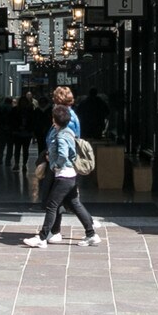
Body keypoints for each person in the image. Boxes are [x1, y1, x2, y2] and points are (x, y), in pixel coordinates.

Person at [23, 104, 98, 249]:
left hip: (63, 176)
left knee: (52, 206)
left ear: (54, 120)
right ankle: (91, 234)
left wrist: (55, 164)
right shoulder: (69, 132)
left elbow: (63, 155)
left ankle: (42, 237)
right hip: (71, 175)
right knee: (75, 204)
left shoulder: (61, 136)